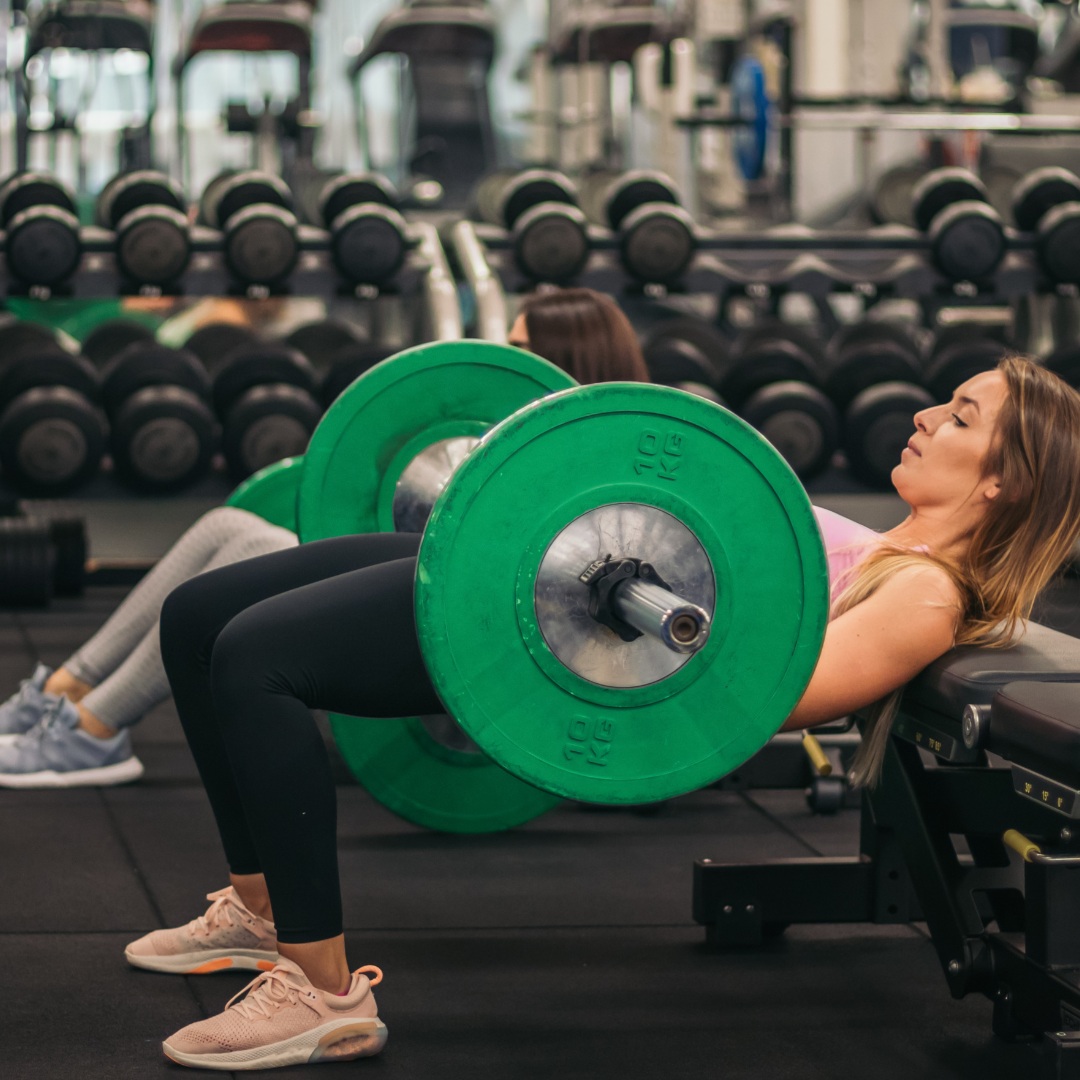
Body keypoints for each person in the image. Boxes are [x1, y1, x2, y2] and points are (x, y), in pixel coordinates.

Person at [122, 353, 1080, 1070]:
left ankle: (320, 992)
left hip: (556, 634)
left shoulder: (924, 596)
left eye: (959, 417)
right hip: (544, 566)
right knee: (200, 617)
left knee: (255, 661)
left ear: (1005, 479)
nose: (921, 414)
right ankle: (257, 908)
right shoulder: (888, 550)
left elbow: (767, 700)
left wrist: (666, 613)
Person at [0, 287, 651, 787]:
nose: (505, 364)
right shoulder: (525, 448)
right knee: (227, 526)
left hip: (476, 630)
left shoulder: (599, 473)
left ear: (565, 366)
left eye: (522, 350)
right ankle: (67, 694)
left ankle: (93, 729)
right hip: (434, 586)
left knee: (250, 548)